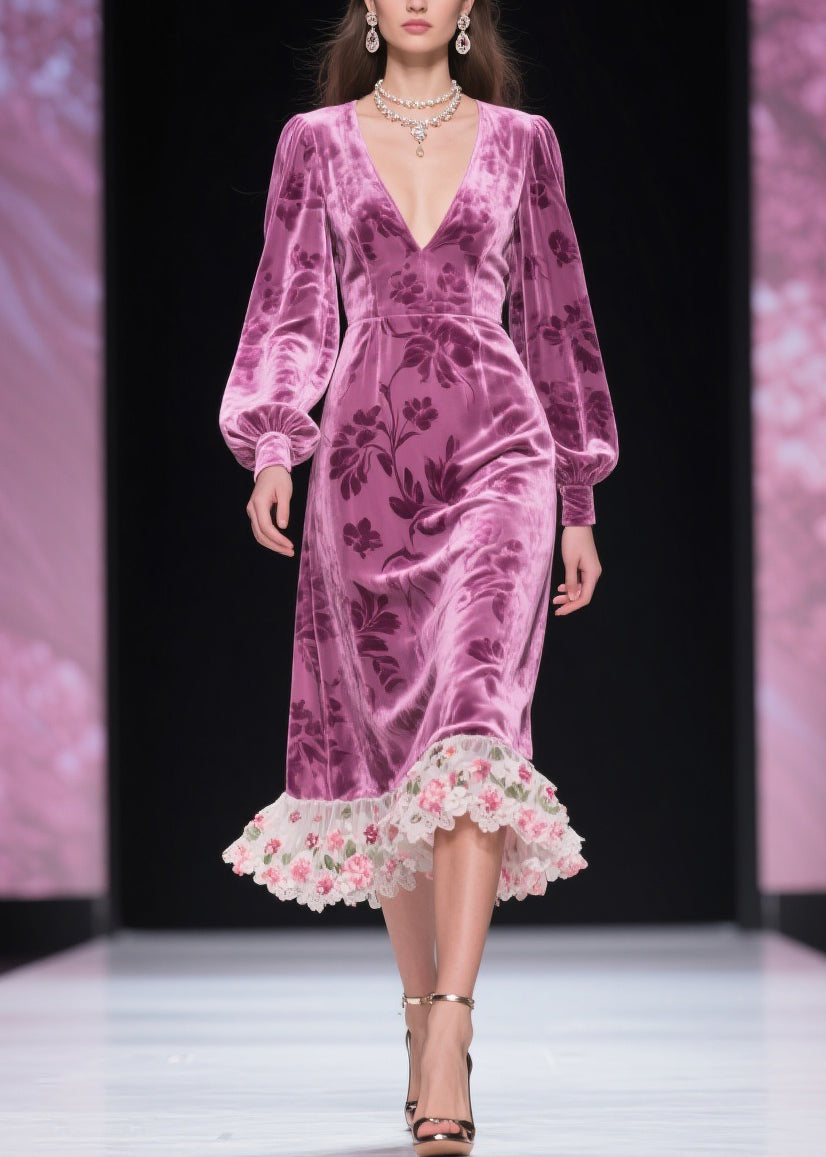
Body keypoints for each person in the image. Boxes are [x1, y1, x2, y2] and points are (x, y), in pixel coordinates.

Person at [218, 2, 619, 1153]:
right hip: (363, 469)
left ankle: (451, 1021)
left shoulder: (524, 142)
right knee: (395, 751)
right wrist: (275, 443)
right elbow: (291, 303)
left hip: (502, 455)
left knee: (476, 716)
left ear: (468, 7)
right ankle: (416, 1017)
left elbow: (557, 318)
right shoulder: (315, 142)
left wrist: (578, 495)